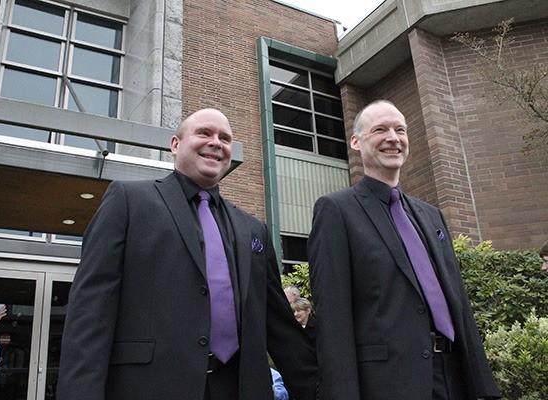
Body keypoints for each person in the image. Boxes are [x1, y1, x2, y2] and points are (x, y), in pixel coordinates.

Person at [56, 108, 317, 400]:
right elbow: (90, 312)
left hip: (239, 388)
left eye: (225, 138)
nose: (216, 142)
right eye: (204, 133)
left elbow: (279, 325)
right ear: (175, 144)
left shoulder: (253, 229)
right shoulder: (128, 202)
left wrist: (321, 388)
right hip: (149, 388)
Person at [308, 100, 501, 400]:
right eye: (380, 130)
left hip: (454, 376)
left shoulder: (431, 215)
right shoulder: (337, 210)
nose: (393, 138)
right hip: (388, 383)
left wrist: (483, 386)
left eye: (400, 130)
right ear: (356, 141)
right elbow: (333, 318)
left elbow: (458, 302)